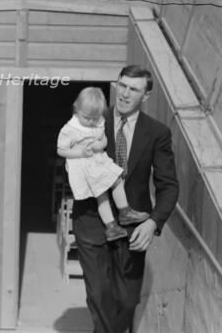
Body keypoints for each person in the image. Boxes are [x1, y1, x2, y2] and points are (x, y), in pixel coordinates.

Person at [72, 66, 179, 333]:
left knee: (128, 300)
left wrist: (153, 222)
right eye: (122, 86)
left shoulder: (157, 133)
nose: (125, 94)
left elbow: (169, 186)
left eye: (134, 89)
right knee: (99, 295)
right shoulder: (91, 121)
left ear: (146, 96)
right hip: (91, 221)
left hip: (133, 227)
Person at [57, 87, 150, 242]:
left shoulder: (98, 122)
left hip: (99, 160)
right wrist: (80, 153)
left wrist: (100, 145)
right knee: (102, 195)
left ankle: (124, 212)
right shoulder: (70, 129)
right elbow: (61, 150)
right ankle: (112, 225)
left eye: (95, 118)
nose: (92, 122)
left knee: (117, 180)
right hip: (85, 165)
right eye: (87, 118)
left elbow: (103, 138)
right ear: (77, 109)